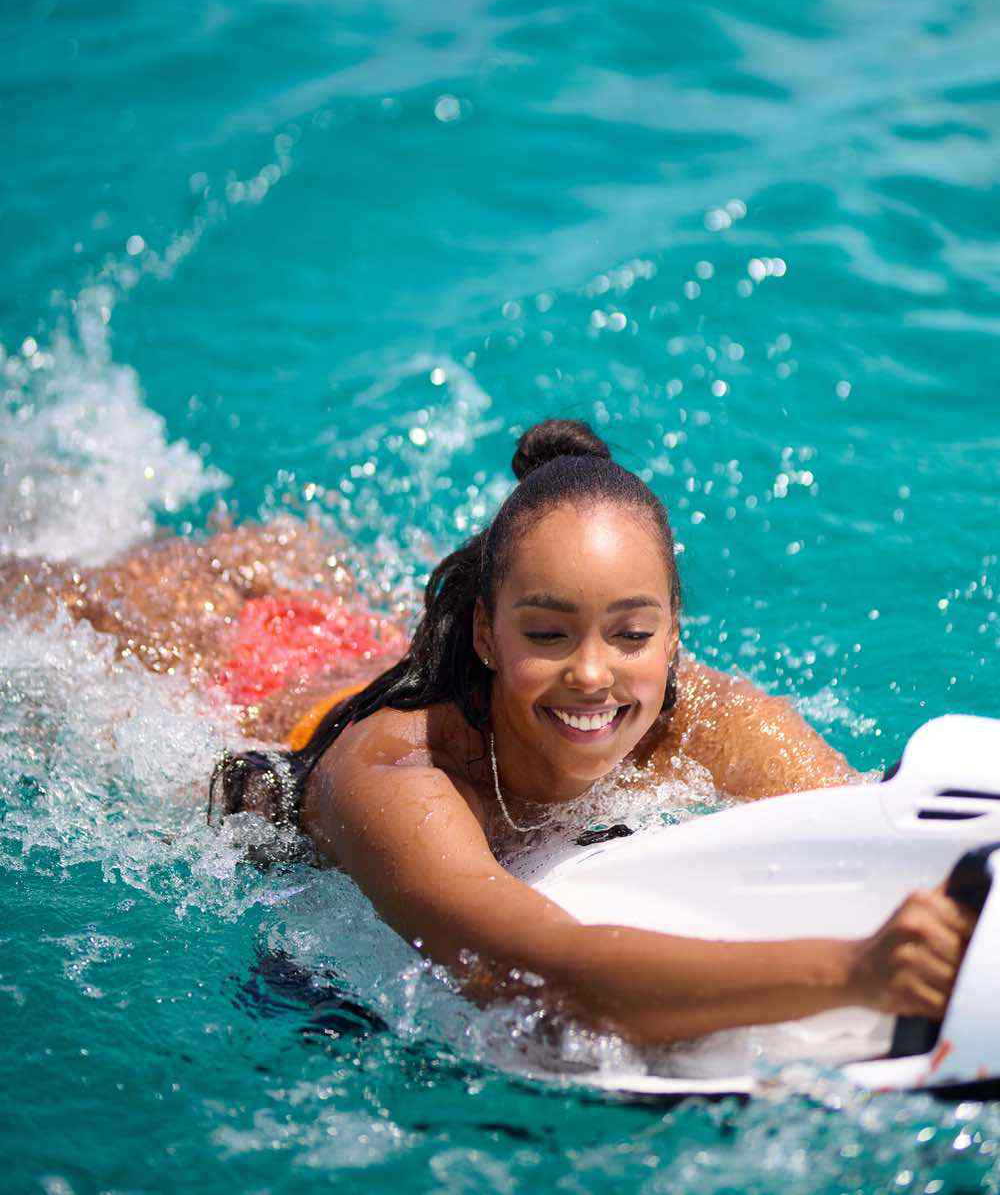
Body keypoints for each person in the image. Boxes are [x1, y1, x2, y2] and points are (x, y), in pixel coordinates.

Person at [0, 418, 972, 1047]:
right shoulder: (396, 775)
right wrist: (851, 970)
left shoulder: (702, 715)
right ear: (486, 631)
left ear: (675, 630)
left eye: (631, 633)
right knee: (70, 592)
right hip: (223, 690)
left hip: (352, 637)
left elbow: (870, 824)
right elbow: (558, 975)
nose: (595, 673)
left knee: (270, 571)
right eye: (548, 633)